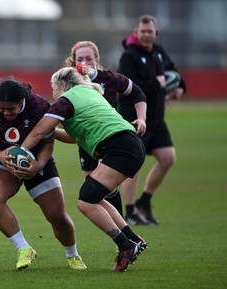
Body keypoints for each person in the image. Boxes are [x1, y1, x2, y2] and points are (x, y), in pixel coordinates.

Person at [20, 66, 147, 272]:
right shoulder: (89, 92)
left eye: (54, 89)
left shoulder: (67, 98)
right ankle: (133, 239)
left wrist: (21, 151)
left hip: (120, 147)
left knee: (86, 202)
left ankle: (126, 246)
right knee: (96, 198)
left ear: (62, 85)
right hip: (130, 143)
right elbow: (74, 136)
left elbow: (38, 132)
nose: (53, 95)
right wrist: (51, 134)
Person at [0, 78, 86, 271]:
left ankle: (72, 255)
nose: (7, 112)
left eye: (12, 109)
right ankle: (23, 248)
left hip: (38, 160)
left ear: (22, 101)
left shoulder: (39, 106)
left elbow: (48, 142)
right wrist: (0, 155)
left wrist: (38, 165)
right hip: (3, 158)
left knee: (57, 215)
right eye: (3, 108)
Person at [55, 40, 147, 224]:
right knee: (95, 187)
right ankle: (121, 231)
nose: (85, 62)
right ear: (73, 62)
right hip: (87, 142)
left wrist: (141, 118)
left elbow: (138, 93)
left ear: (97, 59)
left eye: (89, 58)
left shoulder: (110, 79)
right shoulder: (69, 84)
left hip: (111, 139)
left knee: (102, 189)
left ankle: (122, 231)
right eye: (80, 59)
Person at [118, 15, 187, 225]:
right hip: (135, 120)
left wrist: (181, 87)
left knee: (168, 158)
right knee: (134, 166)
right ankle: (129, 211)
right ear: (137, 32)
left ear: (156, 33)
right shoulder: (129, 56)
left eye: (150, 31)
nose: (146, 35)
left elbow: (173, 73)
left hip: (157, 121)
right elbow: (129, 87)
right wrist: (157, 83)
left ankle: (144, 201)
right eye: (143, 31)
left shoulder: (159, 52)